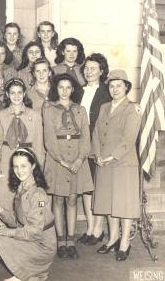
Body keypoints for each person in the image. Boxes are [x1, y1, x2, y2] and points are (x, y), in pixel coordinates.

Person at [0, 148, 56, 281]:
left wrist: (7, 232)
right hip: (32, 240)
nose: (19, 171)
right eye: (16, 166)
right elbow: (18, 222)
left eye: (24, 166)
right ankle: (32, 274)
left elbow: (34, 232)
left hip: (42, 246)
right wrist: (1, 211)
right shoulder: (22, 187)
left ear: (33, 166)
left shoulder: (38, 194)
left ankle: (34, 272)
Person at [42, 73, 93, 260]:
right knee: (57, 200)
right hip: (58, 160)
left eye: (68, 87)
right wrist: (62, 160)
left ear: (73, 89)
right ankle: (60, 240)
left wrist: (79, 160)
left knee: (72, 199)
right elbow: (49, 139)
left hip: (77, 157)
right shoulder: (49, 109)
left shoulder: (80, 110)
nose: (64, 91)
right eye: (60, 87)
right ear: (56, 89)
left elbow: (86, 138)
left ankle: (70, 240)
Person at [92, 69, 141, 261]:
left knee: (124, 204)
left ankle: (124, 243)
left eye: (119, 85)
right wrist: (97, 154)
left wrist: (111, 157)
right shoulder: (104, 107)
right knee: (109, 203)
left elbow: (129, 140)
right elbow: (96, 132)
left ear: (126, 87)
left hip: (123, 163)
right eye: (111, 86)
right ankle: (112, 239)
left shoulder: (133, 108)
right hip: (103, 161)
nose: (114, 89)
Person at [0, 78, 45, 217]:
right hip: (7, 161)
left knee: (27, 200)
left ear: (24, 93)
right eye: (12, 93)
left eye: (19, 92)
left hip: (27, 161)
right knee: (4, 199)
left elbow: (39, 146)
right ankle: (4, 234)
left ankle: (25, 234)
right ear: (7, 95)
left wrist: (38, 170)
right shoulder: (0, 116)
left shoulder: (35, 116)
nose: (16, 96)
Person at [77, 53, 112, 246]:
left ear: (101, 71)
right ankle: (90, 227)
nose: (89, 71)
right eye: (87, 68)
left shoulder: (107, 92)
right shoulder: (78, 91)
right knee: (86, 187)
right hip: (81, 144)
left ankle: (98, 229)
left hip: (99, 144)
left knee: (98, 186)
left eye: (93, 68)